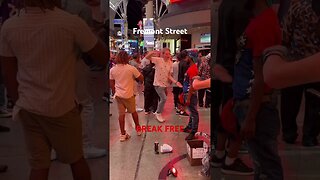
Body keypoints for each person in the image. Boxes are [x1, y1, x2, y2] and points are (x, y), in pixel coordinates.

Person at [0, 0, 107, 179]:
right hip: (62, 106)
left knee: (39, 165)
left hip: (29, 108)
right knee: (76, 160)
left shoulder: (10, 27)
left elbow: (8, 73)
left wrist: (18, 101)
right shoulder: (70, 22)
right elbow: (102, 57)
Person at [232, 0, 283, 179]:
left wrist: (251, 116)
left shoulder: (264, 23)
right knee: (261, 165)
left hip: (258, 108)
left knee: (267, 167)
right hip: (252, 106)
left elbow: (261, 75)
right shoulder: (259, 21)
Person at [211, 0, 253, 176]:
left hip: (223, 66)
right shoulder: (242, 6)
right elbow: (243, 42)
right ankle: (231, 160)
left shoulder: (224, 5)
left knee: (226, 112)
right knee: (238, 115)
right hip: (237, 70)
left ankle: (219, 154)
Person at [280, 0, 320, 146]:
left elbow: (285, 34)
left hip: (295, 62)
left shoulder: (296, 7)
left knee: (290, 100)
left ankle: (289, 133)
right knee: (314, 101)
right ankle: (310, 136)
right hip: (315, 64)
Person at [110, 51, 144, 142]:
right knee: (133, 112)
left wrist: (114, 92)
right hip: (129, 94)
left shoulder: (112, 69)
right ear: (127, 58)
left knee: (121, 114)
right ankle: (138, 129)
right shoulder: (131, 68)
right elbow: (141, 78)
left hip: (118, 95)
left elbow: (111, 82)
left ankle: (122, 134)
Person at [147, 49, 182, 122]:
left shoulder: (170, 63)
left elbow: (169, 75)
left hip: (165, 84)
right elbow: (147, 57)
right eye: (166, 54)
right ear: (162, 54)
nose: (168, 55)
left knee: (162, 99)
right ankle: (158, 113)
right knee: (164, 98)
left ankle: (157, 112)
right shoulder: (158, 60)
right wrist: (152, 52)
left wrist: (176, 82)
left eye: (169, 54)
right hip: (158, 84)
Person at [182, 53, 200, 140]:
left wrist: (188, 97)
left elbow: (192, 85)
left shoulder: (193, 69)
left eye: (187, 57)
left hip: (191, 94)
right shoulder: (191, 68)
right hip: (188, 93)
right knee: (191, 112)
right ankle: (190, 126)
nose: (185, 59)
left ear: (190, 58)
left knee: (193, 113)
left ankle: (193, 131)